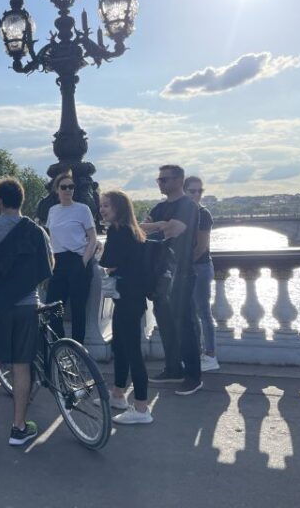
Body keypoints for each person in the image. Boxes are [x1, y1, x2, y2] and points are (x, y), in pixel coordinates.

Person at [0, 177, 53, 447]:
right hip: (27, 305)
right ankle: (18, 428)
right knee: (21, 365)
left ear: (0, 201)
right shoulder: (37, 232)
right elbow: (48, 266)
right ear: (22, 200)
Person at [141, 164, 202, 395]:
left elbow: (174, 230)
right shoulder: (159, 208)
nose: (160, 183)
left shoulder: (188, 205)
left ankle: (193, 375)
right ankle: (173, 368)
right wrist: (160, 226)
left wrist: (158, 227)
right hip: (160, 273)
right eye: (159, 180)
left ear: (178, 180)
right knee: (165, 321)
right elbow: (141, 229)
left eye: (164, 180)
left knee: (184, 324)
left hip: (182, 272)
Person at [98, 190, 153, 424]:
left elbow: (108, 262)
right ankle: (118, 394)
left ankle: (141, 408)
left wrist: (100, 252)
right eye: (101, 206)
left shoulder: (117, 231)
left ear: (119, 208)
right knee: (120, 346)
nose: (102, 209)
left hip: (128, 298)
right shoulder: (134, 231)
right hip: (133, 297)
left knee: (131, 351)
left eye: (106, 206)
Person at [44, 171, 97, 344]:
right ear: (57, 190)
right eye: (64, 187)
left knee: (77, 308)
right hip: (58, 263)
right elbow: (51, 239)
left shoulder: (83, 209)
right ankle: (59, 346)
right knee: (54, 307)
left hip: (77, 260)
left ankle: (78, 349)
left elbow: (93, 238)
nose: (68, 190)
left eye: (71, 187)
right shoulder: (53, 211)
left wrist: (83, 261)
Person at [184, 176, 219, 371]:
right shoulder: (182, 213)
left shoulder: (203, 214)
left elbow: (201, 247)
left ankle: (211, 355)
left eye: (199, 191)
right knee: (190, 313)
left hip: (200, 267)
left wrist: (183, 265)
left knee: (203, 312)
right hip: (189, 269)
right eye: (192, 191)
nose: (197, 194)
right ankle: (195, 354)